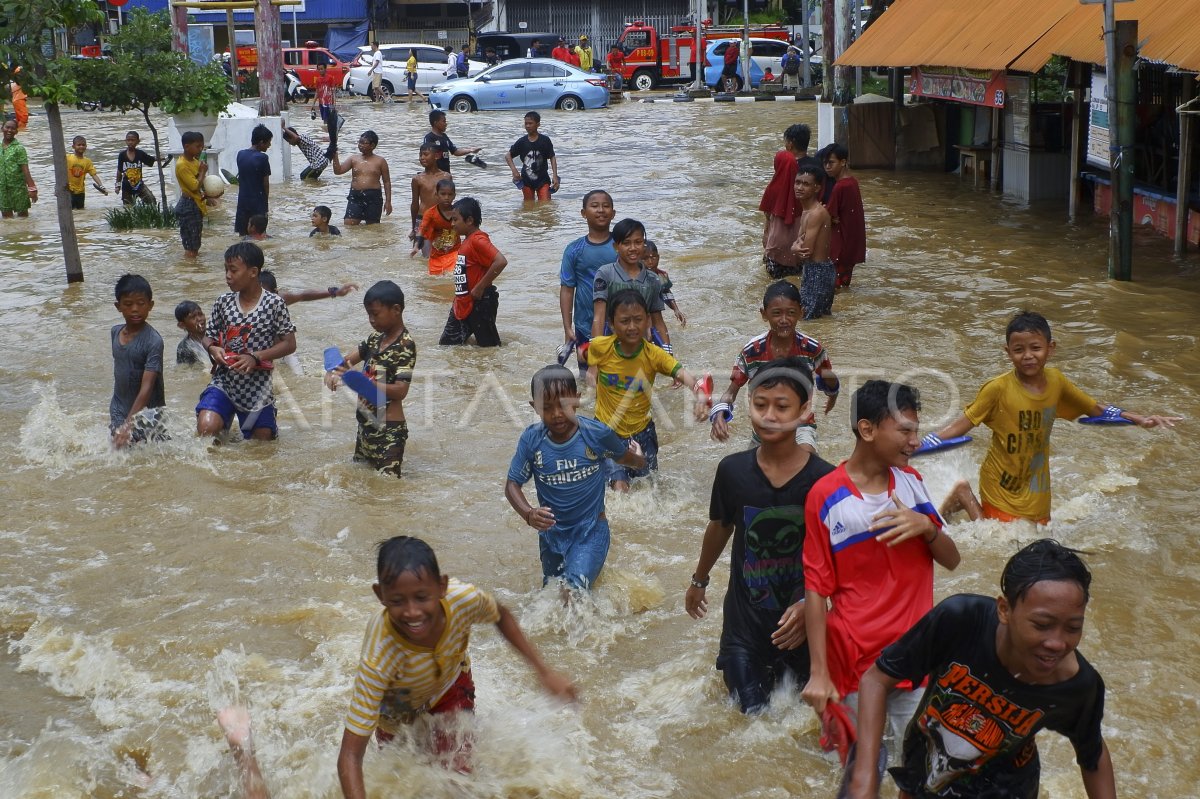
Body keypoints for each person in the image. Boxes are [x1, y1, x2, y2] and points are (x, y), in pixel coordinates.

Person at [845, 539, 1117, 799]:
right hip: (925, 771)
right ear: (1004, 610)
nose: (1057, 643)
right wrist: (866, 776)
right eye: (1042, 624)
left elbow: (1092, 755)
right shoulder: (960, 621)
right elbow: (876, 681)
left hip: (1005, 790)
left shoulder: (1076, 686)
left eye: (1073, 628)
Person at [336, 536, 576, 795]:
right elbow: (349, 756)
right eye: (397, 601)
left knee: (458, 779)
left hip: (450, 685)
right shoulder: (379, 657)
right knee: (405, 780)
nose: (412, 612)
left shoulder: (462, 599)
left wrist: (544, 671)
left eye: (421, 597)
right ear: (380, 595)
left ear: (442, 587)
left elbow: (501, 615)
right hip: (397, 712)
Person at [802, 380, 961, 753]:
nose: (915, 442)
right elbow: (815, 589)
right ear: (868, 429)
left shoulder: (912, 484)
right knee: (857, 770)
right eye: (905, 430)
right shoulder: (825, 497)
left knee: (919, 770)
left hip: (915, 657)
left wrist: (927, 529)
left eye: (916, 431)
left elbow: (952, 560)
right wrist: (818, 673)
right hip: (855, 663)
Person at [926, 310, 1181, 525]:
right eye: (1018, 350)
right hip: (1001, 481)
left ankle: (963, 498)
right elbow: (964, 423)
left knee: (1035, 535)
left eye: (1035, 348)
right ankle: (964, 495)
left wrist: (1138, 418)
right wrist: (921, 443)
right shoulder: (997, 389)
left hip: (1036, 484)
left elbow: (1094, 408)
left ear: (1051, 348)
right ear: (1008, 352)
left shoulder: (1057, 383)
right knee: (997, 537)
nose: (1027, 355)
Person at [686, 357, 835, 714]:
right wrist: (699, 579)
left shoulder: (825, 482)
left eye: (782, 407)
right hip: (744, 631)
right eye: (760, 405)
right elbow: (720, 527)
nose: (769, 415)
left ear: (805, 410)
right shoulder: (733, 471)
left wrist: (810, 606)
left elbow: (835, 558)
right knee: (750, 719)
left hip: (802, 629)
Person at [505, 364, 646, 590]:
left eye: (564, 405)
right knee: (552, 594)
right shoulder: (532, 441)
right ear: (535, 407)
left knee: (573, 589)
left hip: (591, 530)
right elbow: (512, 485)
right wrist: (528, 513)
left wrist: (640, 458)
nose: (557, 414)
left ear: (578, 400)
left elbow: (626, 459)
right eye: (547, 408)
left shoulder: (596, 434)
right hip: (551, 535)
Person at [582, 289, 709, 491]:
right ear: (611, 325)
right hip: (607, 432)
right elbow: (583, 353)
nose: (632, 327)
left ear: (648, 321)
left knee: (649, 488)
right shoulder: (600, 347)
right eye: (624, 321)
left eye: (638, 320)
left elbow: (684, 375)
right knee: (619, 488)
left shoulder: (654, 355)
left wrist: (700, 396)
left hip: (643, 433)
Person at [710, 281, 840, 452]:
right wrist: (719, 414)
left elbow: (827, 376)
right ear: (764, 314)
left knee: (806, 457)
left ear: (802, 312)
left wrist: (833, 394)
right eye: (777, 313)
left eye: (791, 313)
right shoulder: (752, 351)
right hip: (764, 427)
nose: (784, 320)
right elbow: (731, 392)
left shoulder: (812, 348)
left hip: (800, 426)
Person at [195, 242, 297, 441]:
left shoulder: (274, 304)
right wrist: (212, 347)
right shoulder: (223, 302)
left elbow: (289, 344)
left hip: (258, 387)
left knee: (262, 444)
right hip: (225, 380)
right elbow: (208, 336)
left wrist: (256, 357)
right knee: (207, 428)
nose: (227, 275)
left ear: (253, 272)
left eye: (233, 270)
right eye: (225, 270)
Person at [325, 280, 415, 477]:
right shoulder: (374, 339)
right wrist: (332, 372)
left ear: (396, 310)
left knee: (388, 488)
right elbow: (347, 361)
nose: (371, 320)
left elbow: (401, 390)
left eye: (375, 314)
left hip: (389, 431)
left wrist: (368, 384)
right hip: (365, 426)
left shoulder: (405, 346)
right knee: (362, 483)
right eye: (368, 315)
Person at [589, 218, 670, 352]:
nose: (633, 248)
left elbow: (658, 321)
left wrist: (668, 353)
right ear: (616, 247)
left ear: (644, 244)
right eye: (626, 243)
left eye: (638, 242)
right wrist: (595, 357)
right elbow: (599, 317)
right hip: (612, 350)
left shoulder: (653, 279)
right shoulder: (605, 274)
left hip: (642, 349)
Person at [559, 190, 616, 375]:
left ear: (613, 213)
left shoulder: (623, 245)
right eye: (594, 206)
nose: (601, 210)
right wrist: (568, 327)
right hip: (584, 325)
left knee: (618, 375)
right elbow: (567, 290)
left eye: (606, 206)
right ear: (583, 213)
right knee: (587, 376)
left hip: (621, 324)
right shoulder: (574, 250)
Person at [438, 197, 507, 347]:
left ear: (469, 220)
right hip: (462, 303)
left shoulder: (477, 240)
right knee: (447, 345)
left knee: (489, 348)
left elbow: (500, 261)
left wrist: (480, 287)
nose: (452, 224)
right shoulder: (468, 240)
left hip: (480, 303)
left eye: (455, 220)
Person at [109, 274, 167, 449]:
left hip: (149, 414)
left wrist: (129, 424)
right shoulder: (115, 332)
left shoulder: (153, 341)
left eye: (141, 304)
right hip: (119, 408)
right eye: (128, 304)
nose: (135, 309)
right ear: (118, 306)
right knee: (120, 458)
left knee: (151, 459)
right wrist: (123, 422)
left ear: (150, 305)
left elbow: (147, 388)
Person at [759, 123, 811, 279]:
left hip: (776, 248)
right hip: (796, 250)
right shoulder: (803, 189)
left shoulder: (773, 188)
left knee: (773, 282)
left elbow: (768, 217)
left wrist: (766, 236)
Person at [793, 164, 836, 319]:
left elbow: (805, 251)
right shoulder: (807, 211)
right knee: (819, 319)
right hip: (816, 270)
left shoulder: (816, 213)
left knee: (808, 319)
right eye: (797, 182)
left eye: (806, 184)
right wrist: (795, 246)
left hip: (818, 272)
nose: (799, 187)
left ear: (817, 188)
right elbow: (799, 242)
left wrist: (794, 247)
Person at [824, 144, 867, 289]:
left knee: (834, 289)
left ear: (843, 162)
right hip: (851, 246)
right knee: (843, 286)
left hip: (840, 246)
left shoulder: (840, 186)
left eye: (831, 162)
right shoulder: (852, 182)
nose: (827, 167)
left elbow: (828, 216)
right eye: (825, 163)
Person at [332, 130, 392, 226]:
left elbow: (387, 182)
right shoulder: (353, 159)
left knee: (372, 228)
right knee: (349, 225)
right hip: (355, 196)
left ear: (372, 146)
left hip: (373, 197)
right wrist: (335, 157)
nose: (360, 145)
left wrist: (388, 202)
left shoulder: (380, 161)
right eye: (359, 142)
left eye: (364, 143)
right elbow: (338, 171)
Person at [506, 111, 559, 202]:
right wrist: (514, 171)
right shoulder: (522, 142)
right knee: (528, 205)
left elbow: (552, 157)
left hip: (543, 179)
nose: (527, 126)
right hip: (526, 180)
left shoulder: (545, 140)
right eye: (526, 123)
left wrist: (555, 176)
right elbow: (508, 156)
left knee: (545, 204)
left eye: (530, 123)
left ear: (538, 124)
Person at [412, 178, 459, 276]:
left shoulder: (458, 212)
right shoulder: (430, 213)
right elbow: (422, 229)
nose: (446, 197)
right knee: (435, 279)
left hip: (455, 252)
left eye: (450, 195)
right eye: (443, 194)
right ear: (436, 195)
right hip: (436, 255)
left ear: (454, 196)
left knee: (452, 275)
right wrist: (417, 245)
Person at [174, 131, 207, 258]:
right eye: (198, 146)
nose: (200, 149)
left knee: (195, 243)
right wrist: (203, 172)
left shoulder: (194, 161)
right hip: (188, 206)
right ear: (187, 146)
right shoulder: (182, 165)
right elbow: (194, 186)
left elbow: (200, 183)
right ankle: (189, 271)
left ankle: (192, 270)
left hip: (195, 204)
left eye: (201, 146)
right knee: (190, 247)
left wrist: (208, 196)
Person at [234, 124, 272, 236]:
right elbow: (266, 183)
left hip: (243, 202)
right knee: (259, 236)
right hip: (258, 202)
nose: (269, 145)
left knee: (243, 235)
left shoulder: (240, 154)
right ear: (261, 142)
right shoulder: (263, 158)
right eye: (268, 142)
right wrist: (266, 202)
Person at [410, 143, 451, 243]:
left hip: (442, 218)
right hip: (423, 219)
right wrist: (414, 228)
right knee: (425, 255)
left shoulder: (446, 177)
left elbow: (449, 200)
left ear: (436, 156)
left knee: (443, 252)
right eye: (420, 155)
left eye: (425, 154)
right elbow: (415, 204)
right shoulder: (417, 179)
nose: (422, 158)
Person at [423, 110, 483, 175]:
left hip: (446, 173)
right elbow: (426, 156)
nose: (446, 124)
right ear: (436, 123)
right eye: (444, 121)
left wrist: (470, 150)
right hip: (434, 175)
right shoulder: (429, 138)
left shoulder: (444, 137)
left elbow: (455, 151)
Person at [641, 240, 685, 327]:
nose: (650, 262)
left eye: (653, 257)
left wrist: (676, 309)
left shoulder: (661, 276)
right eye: (645, 258)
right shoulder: (636, 276)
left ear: (658, 257)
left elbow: (666, 292)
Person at [258, 269, 357, 306]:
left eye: (265, 295)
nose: (261, 299)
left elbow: (303, 295)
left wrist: (336, 292)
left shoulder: (278, 300)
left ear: (276, 293)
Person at [0, 119, 37, 218]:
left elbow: (25, 170)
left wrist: (32, 188)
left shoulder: (19, 148)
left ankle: (25, 233)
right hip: (2, 188)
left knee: (23, 218)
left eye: (13, 128)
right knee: (7, 219)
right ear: (2, 128)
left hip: (18, 187)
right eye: (7, 127)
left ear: (16, 131)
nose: (9, 130)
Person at [115, 131, 157, 206]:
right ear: (126, 141)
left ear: (138, 141)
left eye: (133, 140)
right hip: (126, 186)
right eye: (128, 140)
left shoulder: (140, 154)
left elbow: (150, 159)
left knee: (152, 201)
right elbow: (119, 171)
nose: (130, 142)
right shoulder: (122, 155)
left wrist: (162, 159)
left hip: (139, 185)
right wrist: (117, 185)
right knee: (128, 209)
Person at [65, 135, 107, 210]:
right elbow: (59, 170)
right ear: (73, 146)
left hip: (81, 192)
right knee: (70, 212)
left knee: (81, 212)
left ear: (86, 146)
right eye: (79, 145)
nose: (81, 146)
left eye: (83, 145)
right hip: (69, 191)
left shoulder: (87, 161)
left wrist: (101, 186)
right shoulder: (68, 158)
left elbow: (94, 175)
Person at [307, 63, 340, 149]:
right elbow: (317, 92)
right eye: (319, 69)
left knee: (329, 120)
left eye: (322, 69)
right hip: (321, 103)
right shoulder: (318, 80)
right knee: (325, 120)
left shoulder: (330, 78)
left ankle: (331, 137)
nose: (320, 70)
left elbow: (333, 91)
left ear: (325, 69)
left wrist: (334, 104)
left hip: (329, 103)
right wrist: (313, 104)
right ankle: (331, 136)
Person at [175, 300, 208, 366]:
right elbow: (188, 371)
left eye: (200, 314)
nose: (199, 319)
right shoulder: (184, 349)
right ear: (182, 325)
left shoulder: (215, 333)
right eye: (193, 317)